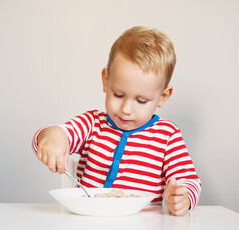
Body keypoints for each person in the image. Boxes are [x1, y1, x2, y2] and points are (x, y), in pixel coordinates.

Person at [32, 26, 201, 216]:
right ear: (106, 80)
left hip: (143, 229)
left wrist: (182, 198)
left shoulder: (167, 136)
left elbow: (189, 181)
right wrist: (53, 135)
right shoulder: (92, 124)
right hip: (89, 225)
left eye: (141, 101)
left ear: (163, 96)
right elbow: (56, 135)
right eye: (118, 95)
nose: (126, 110)